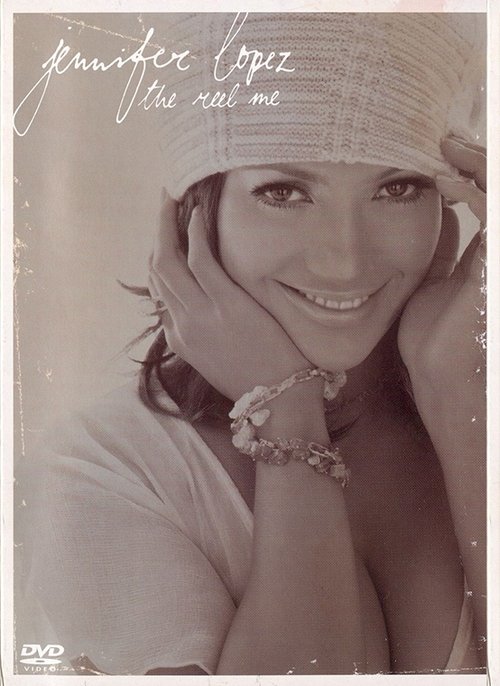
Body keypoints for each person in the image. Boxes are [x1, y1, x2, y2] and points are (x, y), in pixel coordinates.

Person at [16, 12, 486, 676]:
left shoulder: (473, 397)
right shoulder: (98, 472)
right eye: (284, 192)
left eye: (397, 188)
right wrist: (288, 415)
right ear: (194, 213)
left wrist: (458, 391)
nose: (345, 260)